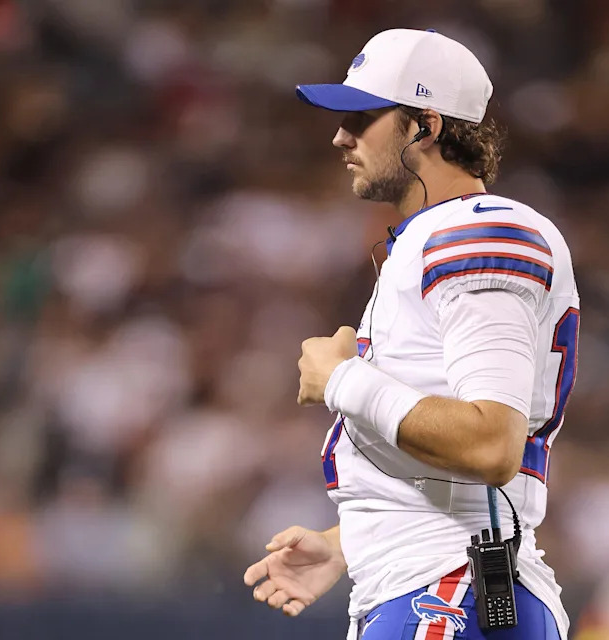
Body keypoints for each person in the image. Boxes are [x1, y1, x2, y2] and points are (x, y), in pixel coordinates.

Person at [244, 28, 579, 640]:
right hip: (436, 586)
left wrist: (343, 379)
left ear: (425, 126)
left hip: (450, 593)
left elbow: (491, 446)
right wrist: (350, 543)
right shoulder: (435, 239)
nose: (340, 136)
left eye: (362, 117)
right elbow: (445, 473)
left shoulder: (476, 232)